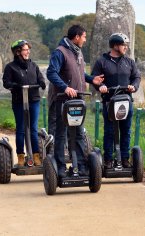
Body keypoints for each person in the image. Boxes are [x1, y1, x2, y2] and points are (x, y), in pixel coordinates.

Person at [46, 24, 104, 178]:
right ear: (76, 37)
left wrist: (92, 80)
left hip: (77, 100)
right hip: (63, 100)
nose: (85, 40)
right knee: (62, 134)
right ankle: (60, 168)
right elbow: (51, 73)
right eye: (84, 37)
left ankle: (81, 168)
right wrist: (65, 88)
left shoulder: (77, 52)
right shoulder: (60, 52)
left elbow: (79, 72)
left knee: (78, 133)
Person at [91, 32, 141, 169]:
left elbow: (136, 77)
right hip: (109, 102)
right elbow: (94, 78)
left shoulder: (129, 62)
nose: (126, 48)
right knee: (110, 131)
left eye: (126, 45)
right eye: (123, 45)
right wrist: (100, 86)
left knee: (126, 131)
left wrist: (134, 86)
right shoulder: (102, 61)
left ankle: (124, 158)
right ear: (115, 45)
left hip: (126, 101)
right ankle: (108, 159)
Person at [2, 39, 46, 167]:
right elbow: (6, 82)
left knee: (33, 129)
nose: (28, 52)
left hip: (34, 100)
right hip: (19, 101)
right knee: (20, 129)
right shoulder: (10, 67)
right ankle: (21, 157)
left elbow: (40, 77)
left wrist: (42, 82)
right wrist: (16, 86)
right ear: (18, 52)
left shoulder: (33, 65)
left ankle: (36, 156)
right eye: (25, 50)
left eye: (28, 49)